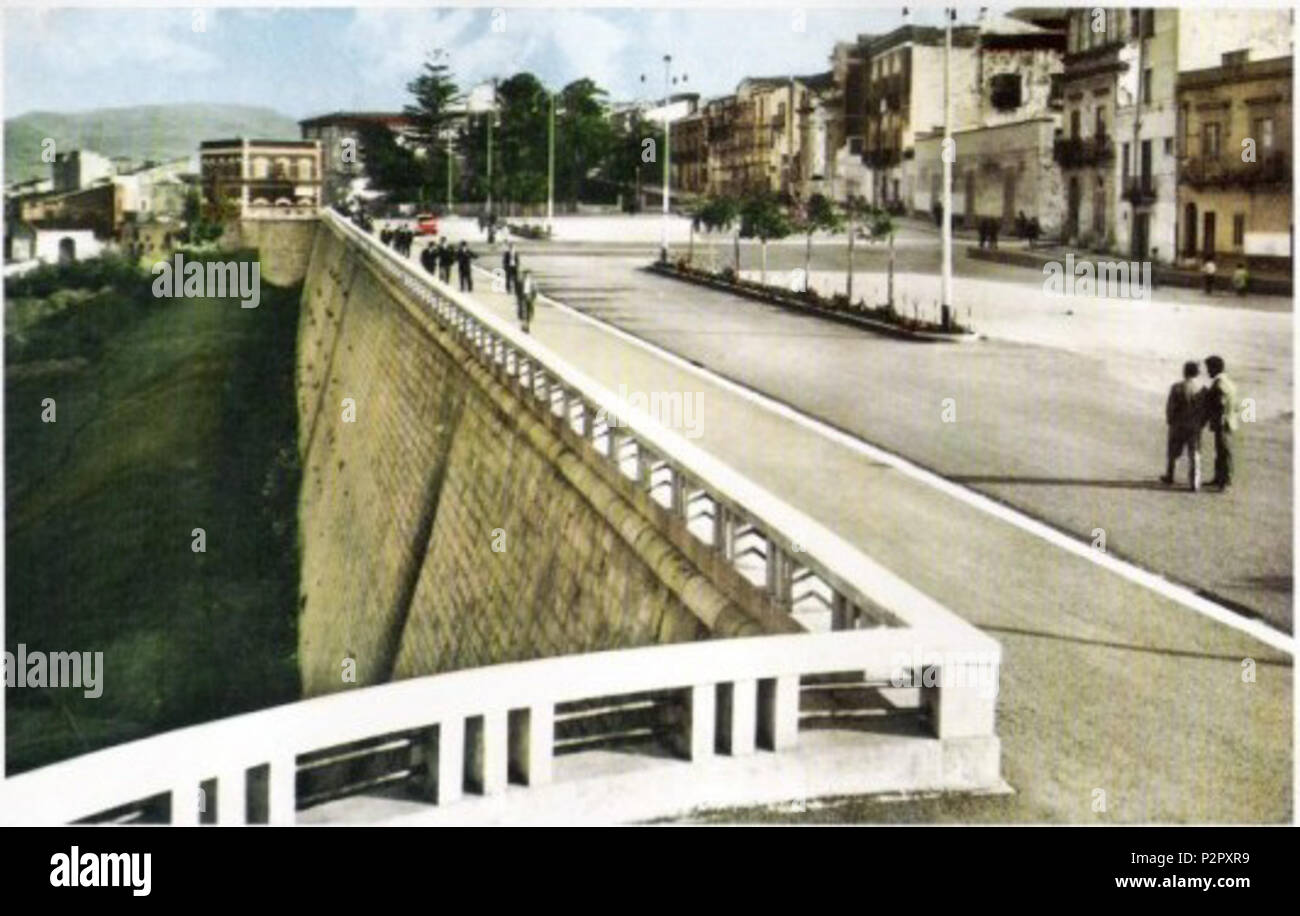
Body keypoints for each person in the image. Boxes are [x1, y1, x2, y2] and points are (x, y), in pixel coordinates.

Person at [1160, 361, 1205, 491]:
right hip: (1194, 425)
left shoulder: (1177, 387)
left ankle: (1170, 475)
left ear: (1185, 371)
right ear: (1197, 373)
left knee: (1173, 452)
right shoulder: (1201, 389)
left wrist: (1170, 420)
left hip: (1178, 424)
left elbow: (1170, 407)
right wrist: (1201, 423)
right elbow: (1203, 409)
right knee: (1194, 453)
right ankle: (1194, 482)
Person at [1203, 355, 1238, 491]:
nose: (1208, 372)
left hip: (1222, 422)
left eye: (1209, 368)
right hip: (1229, 421)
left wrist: (1207, 398)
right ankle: (1219, 478)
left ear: (1215, 368)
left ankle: (1225, 481)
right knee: (1221, 451)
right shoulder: (1229, 382)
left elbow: (1220, 403)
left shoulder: (1219, 384)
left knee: (1223, 452)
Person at [516, 269, 537, 333]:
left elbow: (535, 291)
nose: (527, 276)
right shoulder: (520, 282)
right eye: (525, 275)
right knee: (522, 312)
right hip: (522, 298)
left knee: (529, 312)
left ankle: (527, 325)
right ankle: (523, 325)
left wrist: (533, 298)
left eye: (528, 275)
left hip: (529, 298)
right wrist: (519, 298)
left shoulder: (533, 282)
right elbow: (517, 291)